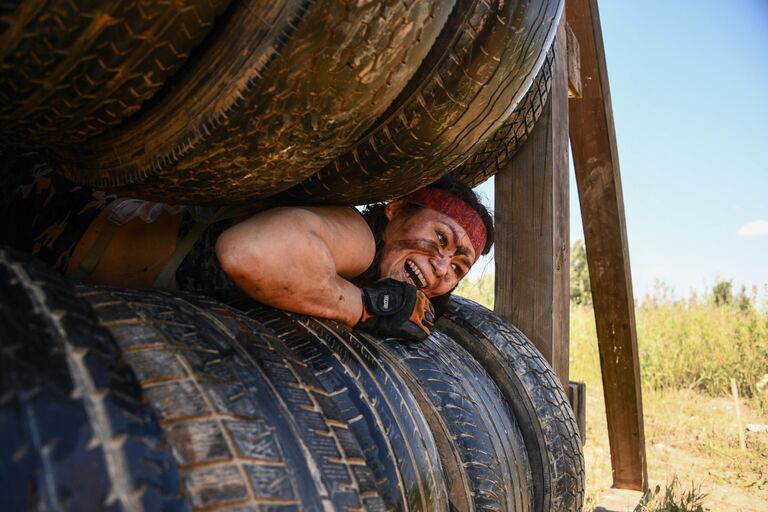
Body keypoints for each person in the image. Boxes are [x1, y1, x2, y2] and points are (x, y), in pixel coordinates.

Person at [1, 152, 494, 341]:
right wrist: (367, 307)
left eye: (458, 265)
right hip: (45, 218)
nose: (441, 264)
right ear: (395, 211)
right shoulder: (360, 237)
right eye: (440, 238)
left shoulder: (368, 262)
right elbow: (251, 253)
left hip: (49, 258)